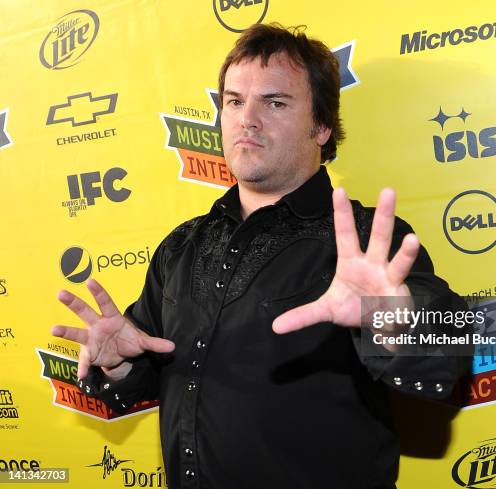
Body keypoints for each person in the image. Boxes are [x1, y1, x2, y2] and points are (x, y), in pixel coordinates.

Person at [53, 23, 470, 489]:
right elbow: (149, 371)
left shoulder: (366, 239)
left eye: (275, 103)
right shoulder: (181, 246)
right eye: (234, 101)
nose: (246, 118)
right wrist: (120, 365)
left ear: (322, 126)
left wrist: (391, 321)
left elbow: (445, 357)